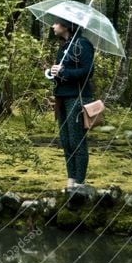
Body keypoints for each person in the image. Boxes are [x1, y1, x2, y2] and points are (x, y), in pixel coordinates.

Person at [50, 18, 95, 191]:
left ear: (66, 26)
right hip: (62, 97)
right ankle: (71, 180)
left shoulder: (83, 44)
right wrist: (52, 72)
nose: (53, 26)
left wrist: (64, 71)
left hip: (77, 97)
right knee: (66, 141)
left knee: (77, 141)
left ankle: (79, 183)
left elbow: (88, 71)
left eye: (56, 23)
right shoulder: (64, 46)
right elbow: (60, 73)